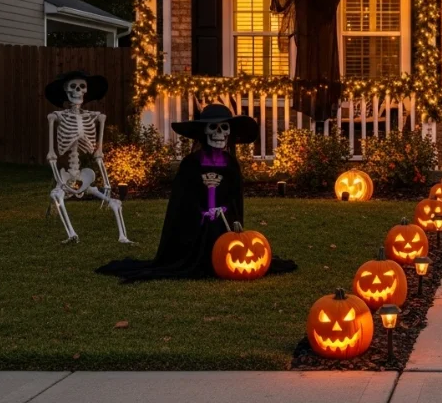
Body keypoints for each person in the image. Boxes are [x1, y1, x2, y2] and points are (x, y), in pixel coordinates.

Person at [97, 105, 295, 281]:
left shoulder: (231, 164)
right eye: (213, 127)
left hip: (222, 225)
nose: (219, 133)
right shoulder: (191, 163)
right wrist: (202, 213)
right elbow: (182, 201)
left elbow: (234, 199)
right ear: (203, 132)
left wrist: (222, 209)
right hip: (194, 227)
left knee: (223, 235)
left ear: (230, 133)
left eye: (224, 128)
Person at [271, 0, 347, 124]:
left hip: (322, 27)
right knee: (306, 58)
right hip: (304, 30)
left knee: (324, 57)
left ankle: (325, 102)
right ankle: (307, 100)